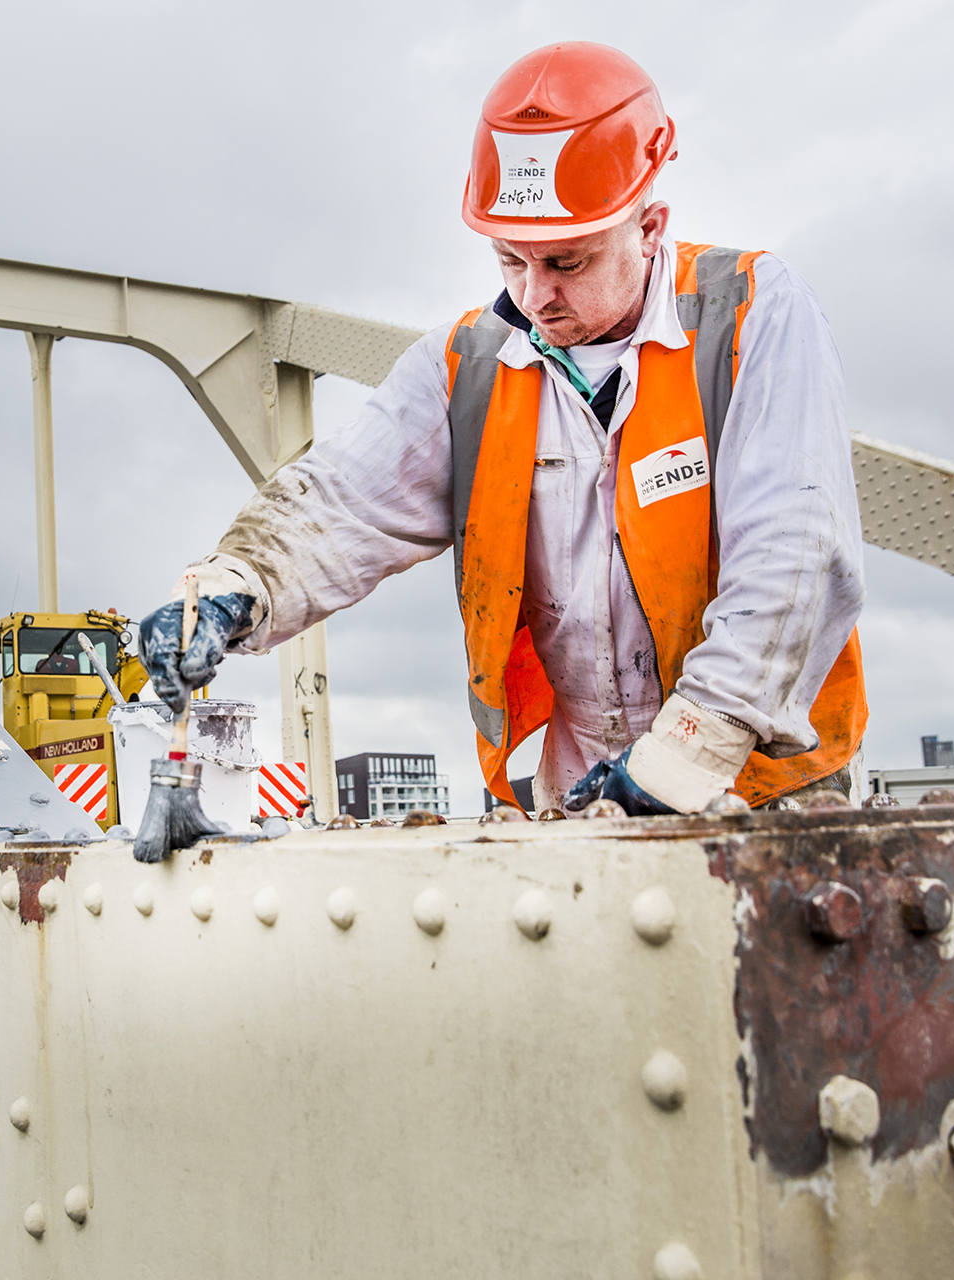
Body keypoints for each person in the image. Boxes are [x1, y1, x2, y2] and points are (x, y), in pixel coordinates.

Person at [140, 42, 865, 817]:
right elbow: (342, 501)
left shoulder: (750, 314)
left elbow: (791, 559)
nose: (535, 294)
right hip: (579, 798)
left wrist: (679, 766)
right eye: (509, 260)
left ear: (649, 225)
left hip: (756, 793)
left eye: (566, 262)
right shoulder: (471, 367)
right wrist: (230, 589)